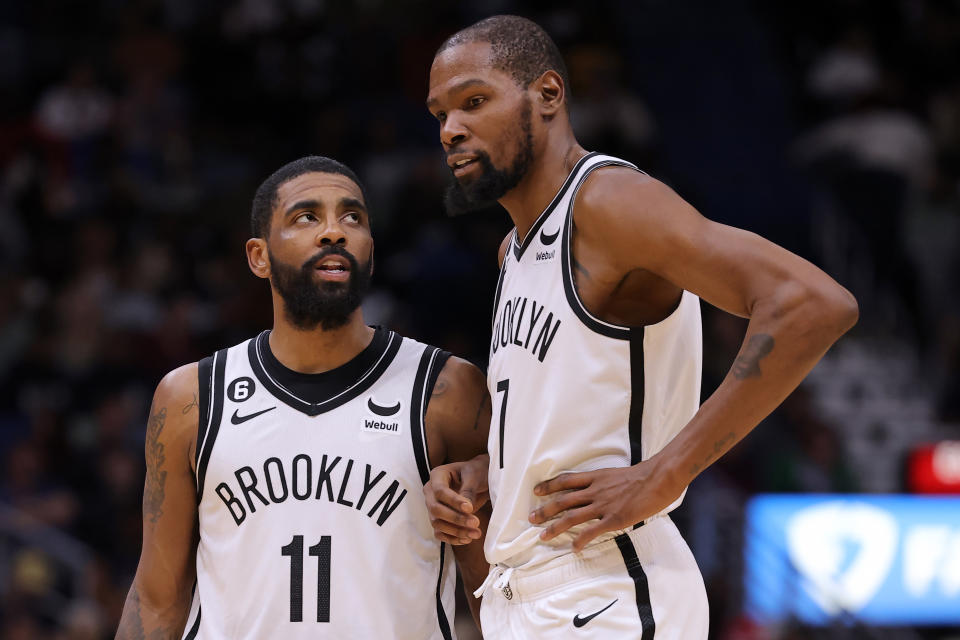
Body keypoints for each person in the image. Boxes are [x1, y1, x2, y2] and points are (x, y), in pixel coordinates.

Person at [423, 15, 858, 639]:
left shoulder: (607, 202)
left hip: (605, 583)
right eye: (439, 114)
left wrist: (667, 472)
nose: (451, 129)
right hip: (522, 591)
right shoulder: (513, 251)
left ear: (548, 95)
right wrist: (490, 473)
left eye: (473, 101)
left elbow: (812, 302)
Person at [115, 156, 491, 639]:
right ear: (259, 256)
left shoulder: (447, 389)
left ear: (370, 253)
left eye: (352, 217)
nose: (334, 231)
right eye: (306, 217)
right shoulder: (192, 397)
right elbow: (156, 599)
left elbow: (492, 588)